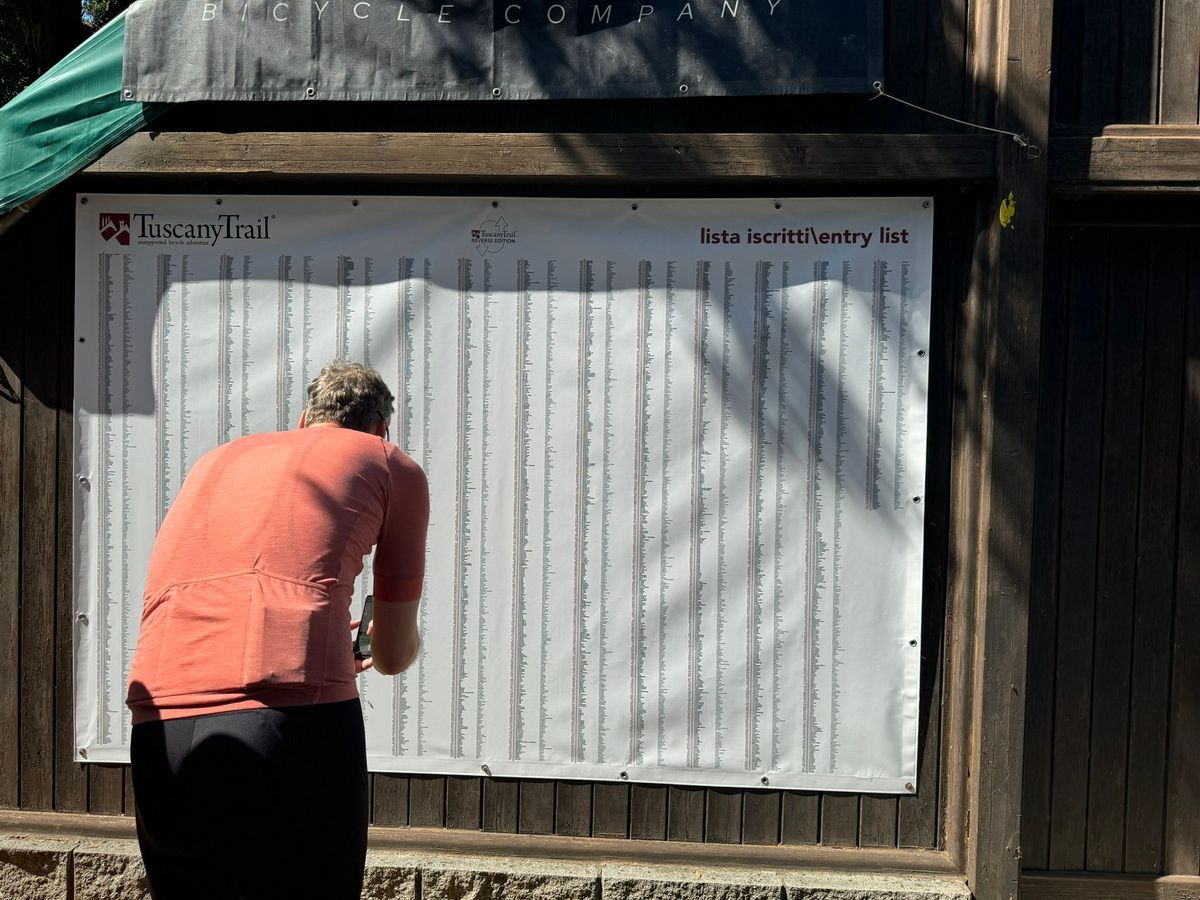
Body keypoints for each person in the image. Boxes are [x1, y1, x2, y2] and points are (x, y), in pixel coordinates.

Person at [126, 360, 429, 899]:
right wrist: (385, 645)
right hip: (288, 714)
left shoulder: (216, 460)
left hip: (159, 716)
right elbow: (393, 651)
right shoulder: (388, 463)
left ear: (303, 418)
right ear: (382, 428)